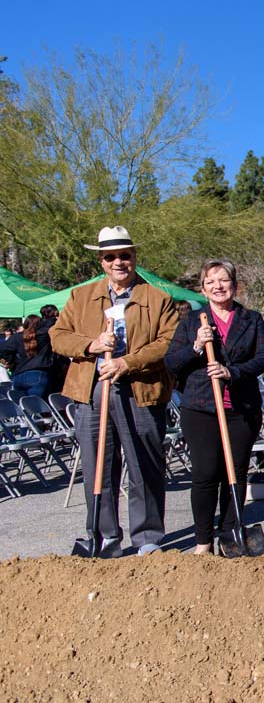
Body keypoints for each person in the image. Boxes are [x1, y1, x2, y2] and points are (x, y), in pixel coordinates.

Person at [49, 226, 179, 555]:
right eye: (111, 257)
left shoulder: (157, 298)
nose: (118, 262)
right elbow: (58, 335)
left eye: (125, 255)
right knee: (98, 465)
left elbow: (168, 343)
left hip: (141, 389)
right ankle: (104, 534)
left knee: (144, 463)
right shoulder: (81, 297)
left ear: (134, 257)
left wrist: (127, 363)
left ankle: (147, 537)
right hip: (92, 390)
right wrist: (91, 345)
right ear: (101, 261)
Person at [165, 259, 264, 554]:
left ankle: (230, 535)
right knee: (205, 473)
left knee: (234, 473)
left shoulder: (251, 319)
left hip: (241, 408)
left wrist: (232, 372)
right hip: (201, 408)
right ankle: (203, 541)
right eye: (210, 282)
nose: (218, 286)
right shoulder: (191, 322)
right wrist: (197, 346)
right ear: (202, 288)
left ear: (235, 285)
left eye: (224, 280)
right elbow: (172, 363)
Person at [0, 313, 55, 399]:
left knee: (22, 407)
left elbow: (4, 350)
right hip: (38, 373)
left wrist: (12, 362)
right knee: (36, 408)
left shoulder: (16, 337)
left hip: (19, 374)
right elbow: (52, 323)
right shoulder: (44, 335)